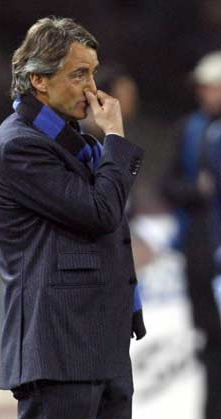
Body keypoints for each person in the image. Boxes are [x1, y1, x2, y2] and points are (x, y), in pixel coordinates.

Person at [0, 17, 146, 419]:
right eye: (78, 74)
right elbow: (101, 212)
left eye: (92, 73)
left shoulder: (73, 143)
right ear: (40, 80)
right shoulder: (17, 146)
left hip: (100, 345)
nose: (91, 88)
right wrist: (115, 140)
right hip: (59, 351)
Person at [162, 51, 221, 419]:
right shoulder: (189, 129)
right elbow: (167, 184)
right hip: (201, 254)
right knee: (210, 344)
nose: (205, 93)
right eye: (203, 87)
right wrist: (195, 190)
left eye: (212, 86)